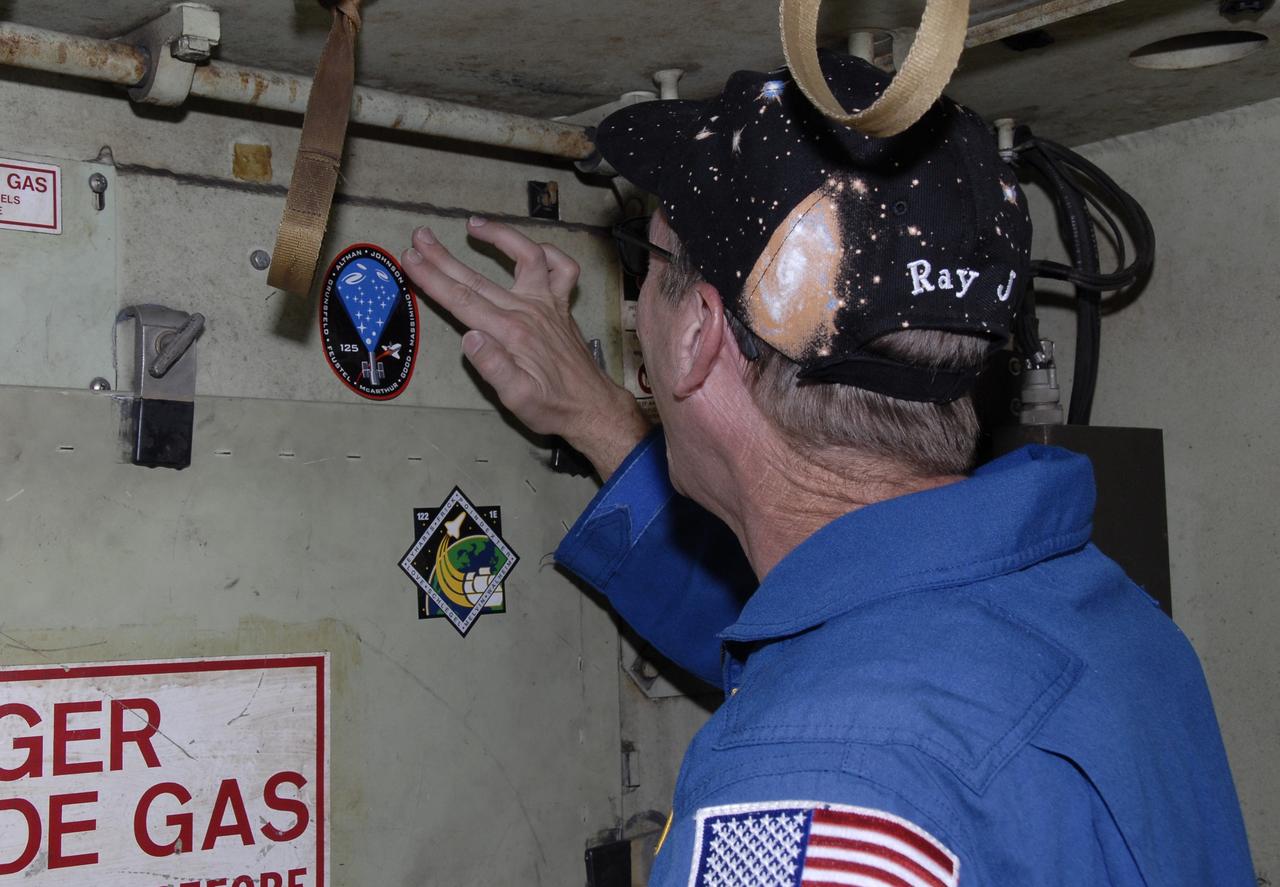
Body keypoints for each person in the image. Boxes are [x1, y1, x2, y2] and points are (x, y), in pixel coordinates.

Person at [400, 52, 1254, 887]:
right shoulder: (1112, 626)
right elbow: (848, 647)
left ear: (699, 333)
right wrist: (598, 420)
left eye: (643, 260)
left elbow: (850, 715)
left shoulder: (802, 797)